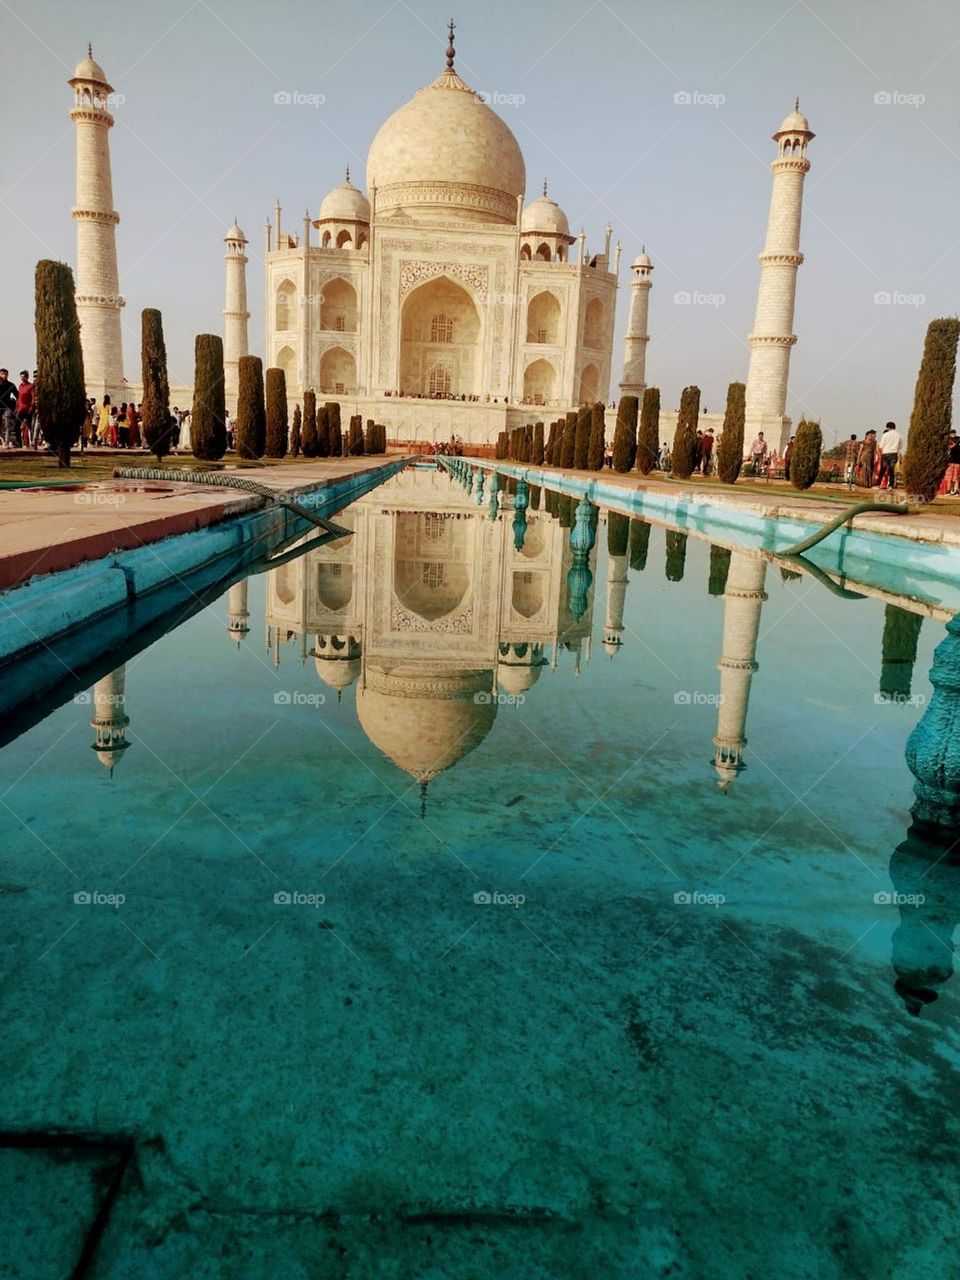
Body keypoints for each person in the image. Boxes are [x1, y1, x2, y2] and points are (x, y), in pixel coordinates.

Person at [878, 421, 903, 490]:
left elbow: (881, 445)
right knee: (891, 470)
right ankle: (890, 485)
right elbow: (901, 445)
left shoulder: (886, 435)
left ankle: (878, 483)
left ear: (888, 428)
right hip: (894, 453)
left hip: (886, 453)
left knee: (883, 469)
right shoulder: (899, 435)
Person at [0, 369, 18, 446]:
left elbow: (17, 396)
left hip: (7, 407)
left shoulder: (11, 385)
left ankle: (6, 442)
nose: (4, 375)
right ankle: (3, 438)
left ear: (8, 375)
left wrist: (17, 405)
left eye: (5, 374)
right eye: (2, 374)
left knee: (7, 425)